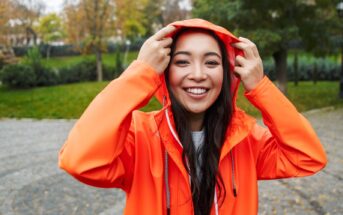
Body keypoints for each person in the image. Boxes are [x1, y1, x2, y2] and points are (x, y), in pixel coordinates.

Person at [58, 19, 327, 215]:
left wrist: (261, 88)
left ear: (228, 74)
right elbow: (80, 160)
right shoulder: (139, 136)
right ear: (163, 71)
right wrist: (139, 75)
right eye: (182, 62)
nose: (198, 74)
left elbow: (307, 157)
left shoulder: (246, 137)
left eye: (211, 63)